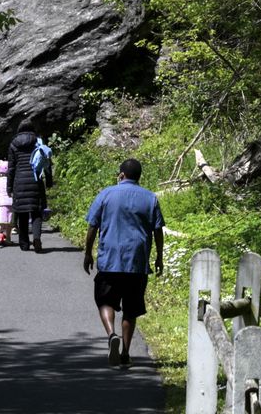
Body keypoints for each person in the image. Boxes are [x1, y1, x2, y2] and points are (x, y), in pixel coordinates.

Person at [82, 158, 165, 368]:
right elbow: (158, 231)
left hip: (110, 260)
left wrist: (88, 253)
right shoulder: (150, 198)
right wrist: (159, 257)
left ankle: (111, 335)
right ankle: (126, 353)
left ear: (121, 175)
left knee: (105, 301)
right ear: (139, 176)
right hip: (136, 263)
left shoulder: (106, 194)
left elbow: (93, 226)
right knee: (131, 308)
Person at [5, 121, 51, 251]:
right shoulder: (38, 142)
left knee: (22, 213)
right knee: (36, 212)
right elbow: (46, 162)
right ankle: (36, 239)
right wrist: (49, 181)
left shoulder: (14, 144)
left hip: (19, 181)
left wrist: (9, 187)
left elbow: (11, 168)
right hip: (36, 180)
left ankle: (24, 243)